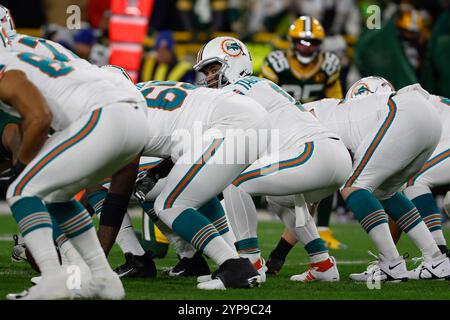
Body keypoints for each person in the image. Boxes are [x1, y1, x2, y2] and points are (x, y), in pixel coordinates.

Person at [0, 27, 149, 299]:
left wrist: (22, 168)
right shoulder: (31, 49)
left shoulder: (5, 61)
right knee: (58, 195)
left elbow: (39, 118)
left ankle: (53, 280)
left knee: (21, 189)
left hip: (104, 115)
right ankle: (103, 279)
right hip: (133, 113)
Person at [194, 36, 352, 282]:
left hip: (314, 153)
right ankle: (322, 263)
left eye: (214, 69)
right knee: (277, 198)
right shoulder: (258, 87)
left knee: (235, 180)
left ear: (233, 63)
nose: (210, 77)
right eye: (207, 72)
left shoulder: (240, 90)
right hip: (328, 156)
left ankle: (251, 262)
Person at [304, 77, 450, 281]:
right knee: (385, 192)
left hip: (407, 112)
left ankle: (391, 263)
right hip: (428, 117)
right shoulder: (347, 113)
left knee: (352, 185)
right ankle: (436, 259)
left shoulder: (304, 116)